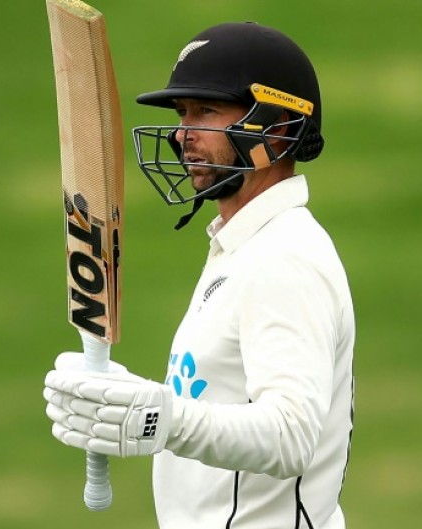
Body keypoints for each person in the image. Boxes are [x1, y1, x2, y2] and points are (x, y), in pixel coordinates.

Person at [43, 21, 356, 529]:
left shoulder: (284, 258)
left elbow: (290, 435)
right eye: (183, 114)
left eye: (207, 111)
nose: (184, 135)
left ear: (275, 128)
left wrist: (161, 419)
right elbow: (217, 397)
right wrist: (127, 398)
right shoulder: (243, 245)